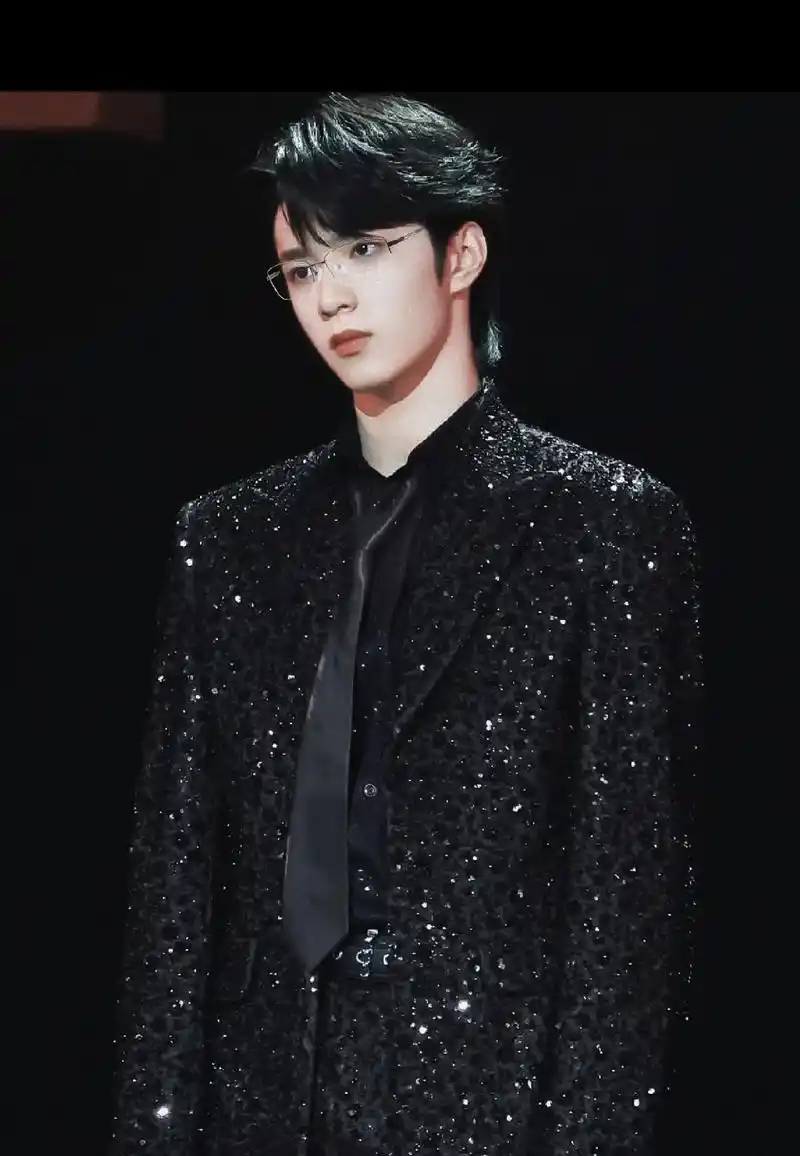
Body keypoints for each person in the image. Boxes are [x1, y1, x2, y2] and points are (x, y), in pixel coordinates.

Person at [110, 92, 702, 1156]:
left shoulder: (602, 525)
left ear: (459, 252)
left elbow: (625, 907)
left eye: (367, 248)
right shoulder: (228, 538)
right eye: (300, 268)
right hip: (262, 1102)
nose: (330, 294)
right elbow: (174, 893)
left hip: (490, 1104)